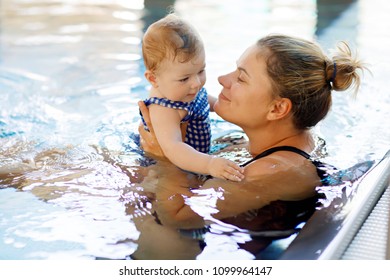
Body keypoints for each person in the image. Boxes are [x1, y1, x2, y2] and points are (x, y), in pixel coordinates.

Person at [136, 34, 365, 257]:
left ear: (277, 109)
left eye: (241, 78)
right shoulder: (262, 143)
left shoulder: (278, 169)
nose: (223, 79)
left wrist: (165, 156)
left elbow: (178, 216)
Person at [139, 13, 244, 181]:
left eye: (201, 71)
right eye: (184, 78)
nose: (196, 83)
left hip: (197, 158)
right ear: (153, 79)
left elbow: (211, 104)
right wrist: (210, 164)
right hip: (165, 168)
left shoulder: (184, 89)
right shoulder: (164, 109)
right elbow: (173, 148)